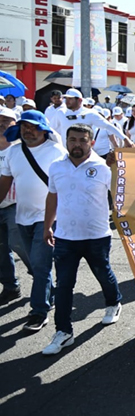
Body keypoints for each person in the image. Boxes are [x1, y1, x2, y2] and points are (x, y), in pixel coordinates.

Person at [41, 124, 122, 355]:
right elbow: (52, 197)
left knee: (103, 273)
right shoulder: (56, 166)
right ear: (66, 141)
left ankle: (113, 302)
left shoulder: (104, 167)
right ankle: (63, 331)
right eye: (73, 140)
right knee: (64, 285)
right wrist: (47, 227)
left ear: (91, 143)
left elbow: (121, 193)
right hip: (65, 237)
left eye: (82, 140)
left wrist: (119, 165)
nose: (77, 144)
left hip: (97, 236)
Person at [0, 111, 67, 331]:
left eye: (33, 127)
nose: (28, 131)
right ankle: (49, 294)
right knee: (38, 265)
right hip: (22, 217)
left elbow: (67, 182)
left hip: (48, 218)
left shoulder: (56, 151)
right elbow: (5, 182)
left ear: (44, 129)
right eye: (24, 127)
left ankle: (38, 312)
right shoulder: (13, 152)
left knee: (40, 265)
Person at [0, 108, 30, 306]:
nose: (1, 123)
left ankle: (44, 284)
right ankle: (10, 287)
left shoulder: (21, 148)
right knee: (1, 251)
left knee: (22, 247)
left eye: (6, 120)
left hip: (16, 206)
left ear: (15, 124)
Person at [55, 89, 131, 149]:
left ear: (79, 100)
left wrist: (125, 139)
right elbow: (52, 130)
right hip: (66, 153)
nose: (67, 101)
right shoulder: (61, 112)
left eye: (70, 99)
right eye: (66, 99)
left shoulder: (90, 113)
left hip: (85, 154)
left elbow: (108, 126)